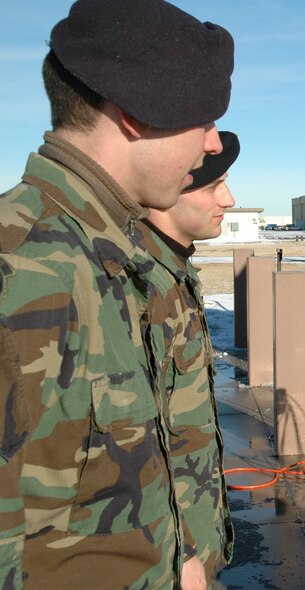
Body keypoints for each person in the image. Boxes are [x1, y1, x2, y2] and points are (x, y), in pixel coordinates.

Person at [0, 1, 234, 588]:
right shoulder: (23, 268)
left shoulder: (107, 256)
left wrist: (180, 554)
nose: (212, 144)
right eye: (202, 119)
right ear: (134, 114)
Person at [133, 131, 240, 584]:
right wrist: (180, 551)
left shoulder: (172, 270)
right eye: (214, 187)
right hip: (167, 557)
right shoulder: (138, 281)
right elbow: (129, 443)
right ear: (169, 188)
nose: (230, 200)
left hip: (190, 537)